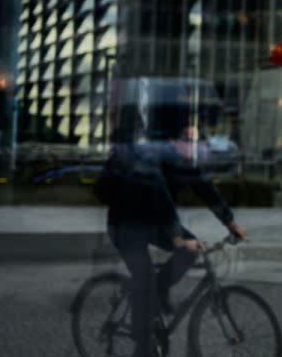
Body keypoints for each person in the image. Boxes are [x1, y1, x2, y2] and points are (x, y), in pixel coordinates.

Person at [99, 123, 246, 357]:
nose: (194, 146)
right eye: (188, 139)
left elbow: (206, 188)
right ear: (172, 142)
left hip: (153, 222)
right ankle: (143, 343)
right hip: (126, 223)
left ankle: (156, 292)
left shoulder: (183, 162)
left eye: (196, 140)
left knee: (191, 250)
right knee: (145, 279)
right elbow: (162, 200)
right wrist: (178, 238)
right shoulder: (152, 159)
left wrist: (230, 223)